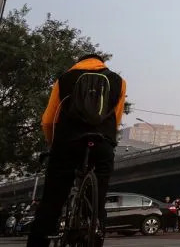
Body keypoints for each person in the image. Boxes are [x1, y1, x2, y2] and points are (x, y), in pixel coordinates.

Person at [27, 53, 126, 247]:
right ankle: (95, 228)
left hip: (68, 142)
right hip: (101, 143)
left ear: (78, 62)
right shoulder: (118, 81)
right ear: (101, 63)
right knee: (99, 195)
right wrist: (107, 141)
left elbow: (48, 120)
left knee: (52, 200)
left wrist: (53, 144)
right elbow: (116, 118)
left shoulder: (65, 79)